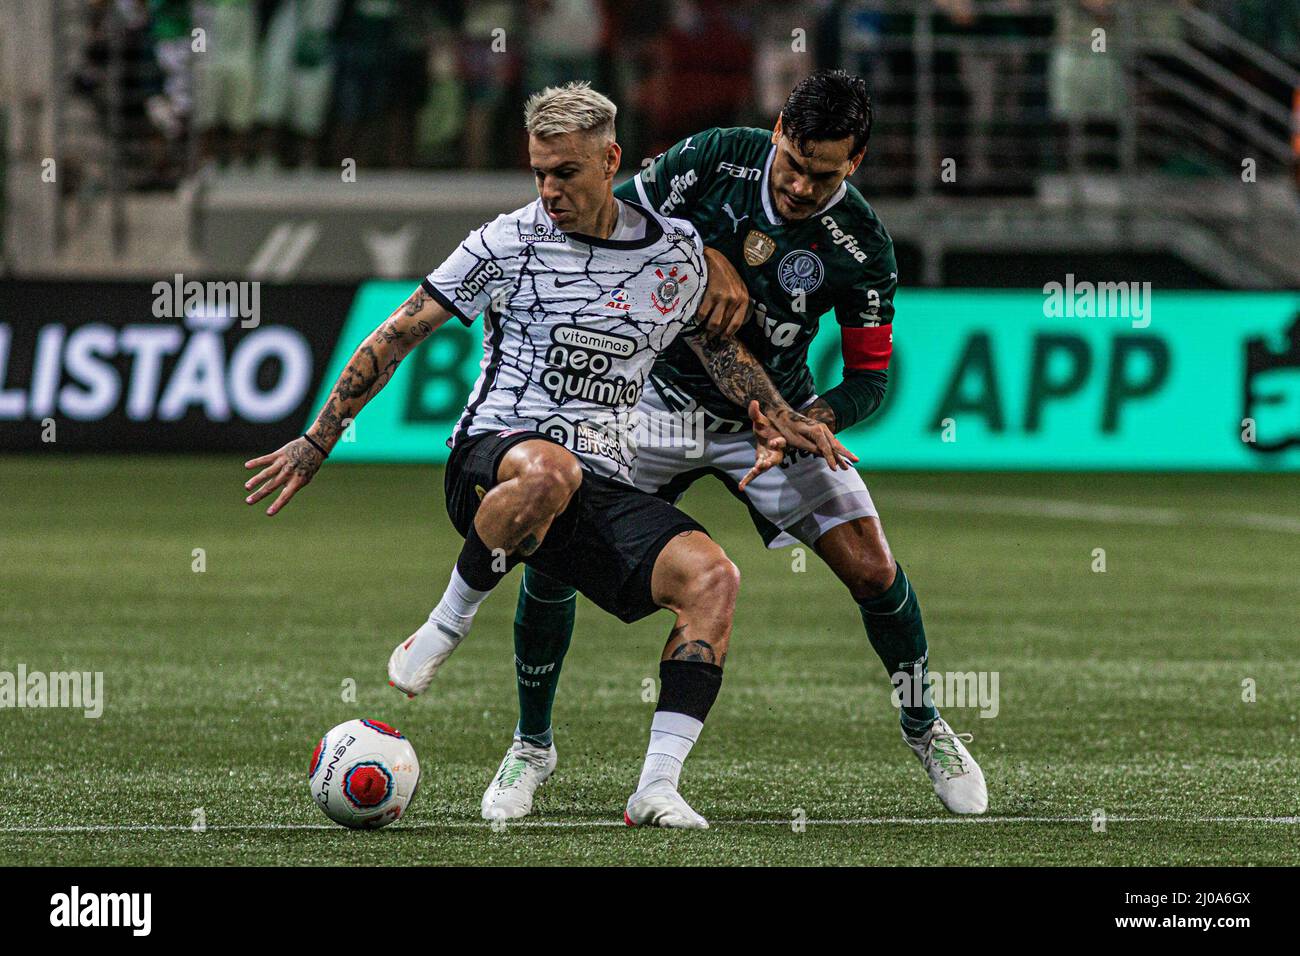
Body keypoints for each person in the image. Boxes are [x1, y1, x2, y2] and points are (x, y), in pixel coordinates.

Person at [242, 82, 852, 828]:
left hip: (596, 481)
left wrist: (782, 416)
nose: (549, 189)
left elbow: (722, 353)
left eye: (565, 172)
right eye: (538, 172)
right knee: (551, 468)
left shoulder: (671, 256)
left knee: (713, 580)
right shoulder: (510, 241)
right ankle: (446, 623)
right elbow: (399, 333)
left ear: (611, 161)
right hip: (490, 463)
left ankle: (655, 786)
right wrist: (317, 440)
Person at [494, 69, 988, 821]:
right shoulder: (713, 159)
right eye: (792, 160)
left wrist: (813, 419)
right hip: (649, 402)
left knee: (872, 564)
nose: (797, 184)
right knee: (549, 547)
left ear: (854, 163)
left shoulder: (862, 249)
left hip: (768, 423)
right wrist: (698, 257)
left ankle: (926, 726)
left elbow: (868, 380)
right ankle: (532, 745)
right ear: (780, 127)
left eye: (822, 174)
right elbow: (610, 217)